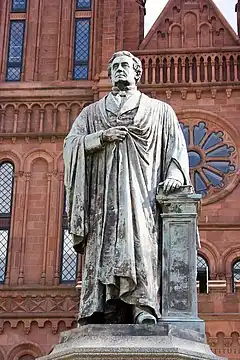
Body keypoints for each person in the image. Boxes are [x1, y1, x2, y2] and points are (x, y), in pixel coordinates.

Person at [63, 51, 190, 325]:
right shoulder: (92, 113)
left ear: (137, 73)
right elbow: (71, 144)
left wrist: (174, 176)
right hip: (103, 202)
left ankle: (143, 305)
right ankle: (108, 306)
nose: (120, 70)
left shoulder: (159, 111)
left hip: (141, 198)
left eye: (125, 66)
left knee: (141, 244)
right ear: (109, 74)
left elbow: (176, 151)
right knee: (104, 246)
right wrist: (100, 137)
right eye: (115, 66)